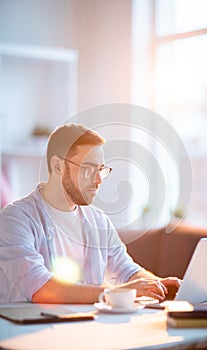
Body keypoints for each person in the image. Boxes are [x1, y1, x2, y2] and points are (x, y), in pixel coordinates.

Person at [0, 123, 181, 304]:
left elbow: (125, 270)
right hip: (29, 327)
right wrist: (117, 292)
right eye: (88, 169)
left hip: (86, 324)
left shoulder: (99, 221)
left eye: (100, 169)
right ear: (57, 166)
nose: (99, 180)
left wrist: (157, 284)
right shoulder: (15, 219)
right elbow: (41, 289)